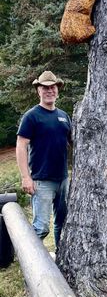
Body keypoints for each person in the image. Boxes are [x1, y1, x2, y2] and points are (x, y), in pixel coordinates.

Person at [16, 70, 72, 248]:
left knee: (62, 225)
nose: (49, 90)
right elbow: (21, 146)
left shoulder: (64, 116)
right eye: (45, 87)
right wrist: (26, 177)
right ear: (38, 90)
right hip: (41, 181)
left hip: (63, 179)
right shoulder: (31, 116)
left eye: (53, 87)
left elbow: (75, 143)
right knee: (40, 228)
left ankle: (61, 263)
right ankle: (31, 271)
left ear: (58, 90)